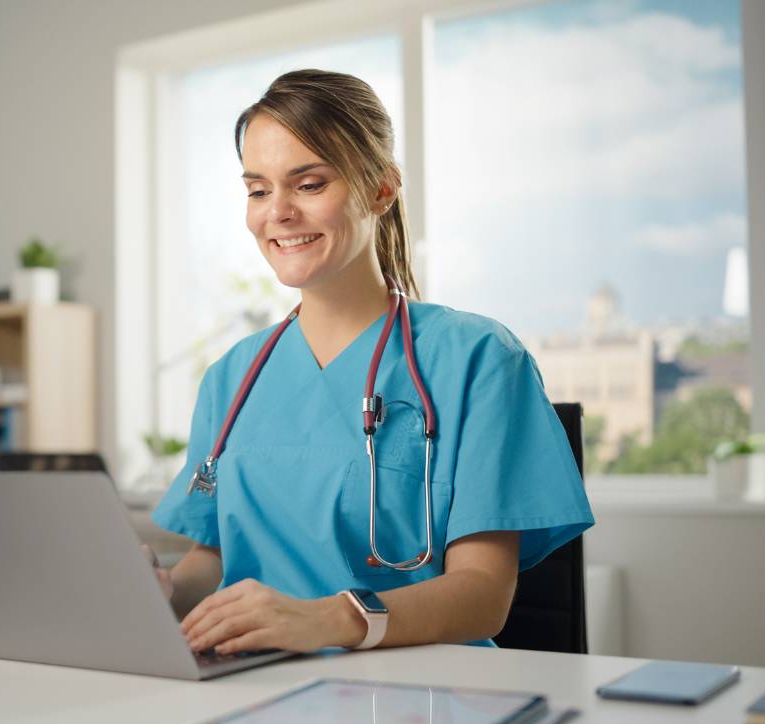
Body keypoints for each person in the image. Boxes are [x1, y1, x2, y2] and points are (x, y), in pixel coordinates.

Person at [149, 69, 594, 656]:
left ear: (382, 190)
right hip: (249, 686)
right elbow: (217, 558)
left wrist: (329, 620)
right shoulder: (231, 378)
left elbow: (484, 596)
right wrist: (162, 590)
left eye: (307, 184)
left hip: (420, 706)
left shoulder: (479, 360)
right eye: (257, 190)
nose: (276, 212)